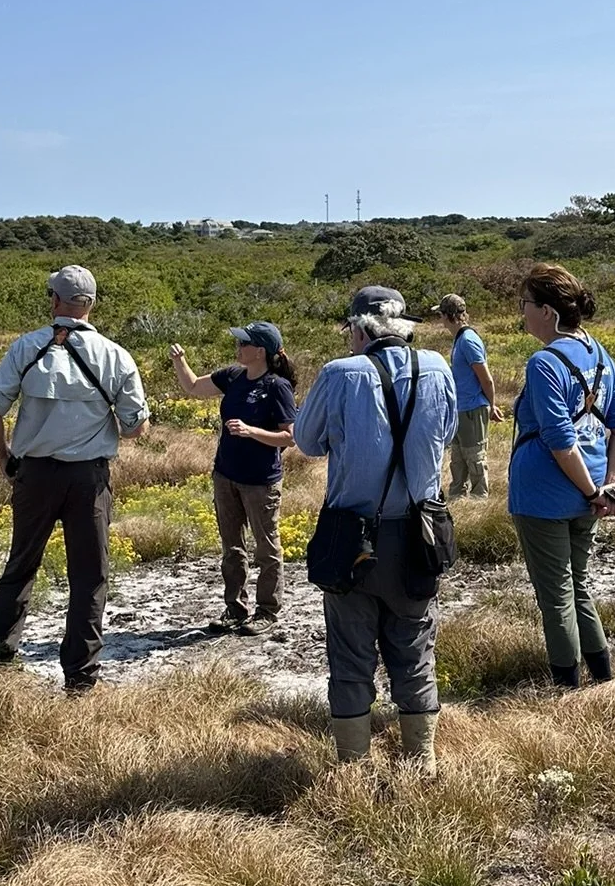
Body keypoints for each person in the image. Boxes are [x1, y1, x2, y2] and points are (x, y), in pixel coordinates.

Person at [293, 286, 455, 777]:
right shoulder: (437, 367)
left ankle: (353, 768)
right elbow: (446, 434)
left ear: (361, 329)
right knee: (413, 644)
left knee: (349, 650)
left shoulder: (340, 373)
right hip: (421, 534)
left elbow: (306, 441)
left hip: (352, 538)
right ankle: (421, 763)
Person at [0, 267, 150, 692]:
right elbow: (135, 428)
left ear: (55, 301)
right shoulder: (116, 355)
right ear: (91, 304)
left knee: (20, 565)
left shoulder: (27, 347)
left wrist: (4, 458)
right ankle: (80, 676)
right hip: (88, 479)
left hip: (33, 474)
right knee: (90, 576)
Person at [508, 265, 615, 687]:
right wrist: (609, 485)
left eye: (525, 305)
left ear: (547, 310)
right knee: (579, 585)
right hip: (589, 492)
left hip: (545, 495)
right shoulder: (599, 353)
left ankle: (567, 689)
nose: (522, 313)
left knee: (556, 595)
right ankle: (603, 680)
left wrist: (595, 490)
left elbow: (559, 440)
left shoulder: (544, 362)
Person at [169, 322, 297, 632]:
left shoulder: (276, 386)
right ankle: (235, 608)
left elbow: (289, 437)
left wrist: (251, 432)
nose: (238, 348)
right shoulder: (233, 376)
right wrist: (178, 360)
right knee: (232, 547)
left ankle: (267, 611)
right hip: (226, 475)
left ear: (260, 352)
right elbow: (194, 387)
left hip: (261, 481)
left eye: (244, 343)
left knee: (266, 548)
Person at [435, 295, 500, 499]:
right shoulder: (460, 339)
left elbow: (486, 378)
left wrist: (492, 406)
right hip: (460, 409)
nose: (440, 319)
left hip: (472, 409)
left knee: (475, 458)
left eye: (441, 314)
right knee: (458, 458)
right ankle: (457, 498)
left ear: (448, 316)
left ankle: (480, 500)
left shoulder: (468, 340)